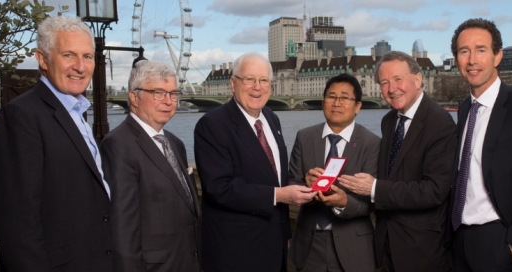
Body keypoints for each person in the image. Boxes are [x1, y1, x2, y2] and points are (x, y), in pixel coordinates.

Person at [0, 16, 112, 271]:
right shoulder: (21, 117)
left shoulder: (76, 114)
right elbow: (16, 225)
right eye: (69, 55)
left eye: (87, 56)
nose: (80, 66)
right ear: (42, 59)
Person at [194, 52, 317, 272]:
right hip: (236, 250)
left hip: (274, 244)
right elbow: (219, 188)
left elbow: (273, 174)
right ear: (233, 83)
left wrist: (300, 183)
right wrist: (279, 195)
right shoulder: (212, 124)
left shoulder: (271, 117)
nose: (257, 87)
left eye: (263, 80)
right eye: (249, 79)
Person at [448, 18, 512, 272]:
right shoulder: (464, 108)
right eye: (464, 51)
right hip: (458, 238)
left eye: (481, 50)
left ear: (497, 56)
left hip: (499, 240)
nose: (472, 59)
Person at [339, 51, 458, 271]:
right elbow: (390, 173)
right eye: (384, 82)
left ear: (418, 79)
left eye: (397, 79)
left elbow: (434, 190)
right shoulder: (389, 120)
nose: (391, 89)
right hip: (386, 245)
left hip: (421, 249)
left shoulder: (440, 124)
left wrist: (374, 188)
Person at [99, 61, 201, 271]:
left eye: (173, 93)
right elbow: (122, 228)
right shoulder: (118, 145)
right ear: (134, 97)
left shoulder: (175, 143)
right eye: (158, 93)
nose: (168, 101)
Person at [288, 73, 379, 272]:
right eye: (331, 97)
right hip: (309, 245)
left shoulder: (372, 144)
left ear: (358, 106)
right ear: (323, 103)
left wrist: (344, 202)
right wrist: (307, 187)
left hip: (354, 248)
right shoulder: (304, 138)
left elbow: (372, 201)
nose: (336, 103)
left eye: (345, 97)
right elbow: (291, 185)